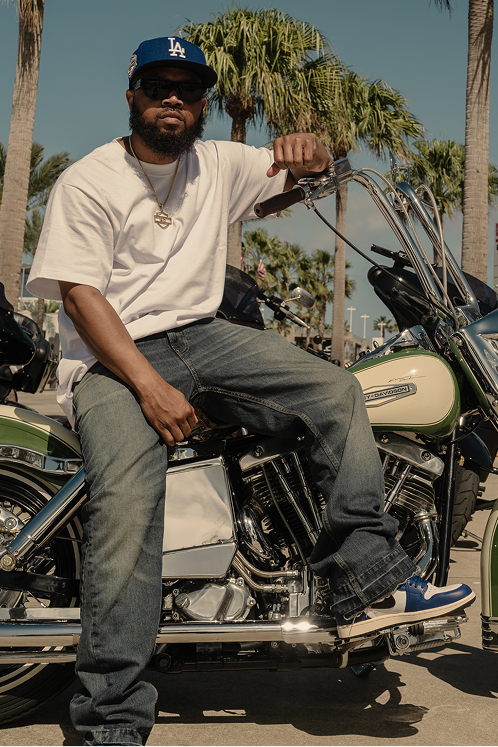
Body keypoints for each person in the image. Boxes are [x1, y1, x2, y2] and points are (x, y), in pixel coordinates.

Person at [27, 37, 473, 746]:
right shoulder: (89, 180)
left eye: (187, 88)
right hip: (113, 358)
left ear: (203, 103)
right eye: (157, 84)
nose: (172, 98)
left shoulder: (219, 163)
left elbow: (300, 171)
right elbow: (81, 297)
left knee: (335, 391)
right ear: (132, 95)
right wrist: (147, 387)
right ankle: (110, 721)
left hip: (202, 336)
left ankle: (365, 579)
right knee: (127, 508)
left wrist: (311, 149)